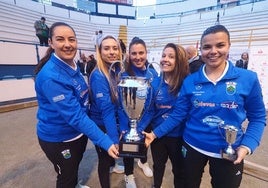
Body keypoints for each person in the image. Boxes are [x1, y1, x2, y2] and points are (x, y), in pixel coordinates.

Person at [143, 24, 266, 188]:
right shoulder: (190, 81)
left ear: (229, 46)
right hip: (192, 148)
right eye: (207, 47)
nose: (213, 51)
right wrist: (154, 134)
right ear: (201, 50)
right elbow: (178, 115)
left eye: (220, 45)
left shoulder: (248, 79)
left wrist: (247, 145)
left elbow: (258, 117)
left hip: (230, 152)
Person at [34, 22, 119, 188]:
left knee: (73, 169)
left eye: (71, 39)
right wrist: (106, 141)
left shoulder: (72, 65)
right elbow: (76, 116)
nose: (67, 44)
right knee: (66, 176)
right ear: (50, 42)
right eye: (60, 39)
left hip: (77, 135)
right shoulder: (51, 77)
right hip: (59, 139)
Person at [138, 43, 189, 188]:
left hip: (177, 136)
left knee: (179, 170)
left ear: (179, 61)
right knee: (158, 166)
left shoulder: (187, 84)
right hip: (157, 137)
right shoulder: (154, 83)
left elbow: (178, 115)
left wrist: (154, 134)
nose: (165, 59)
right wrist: (138, 129)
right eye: (164, 55)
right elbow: (150, 111)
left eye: (171, 57)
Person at [119, 37, 157, 188]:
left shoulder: (153, 75)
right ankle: (128, 174)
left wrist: (140, 128)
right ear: (129, 54)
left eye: (141, 53)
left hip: (146, 120)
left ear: (146, 53)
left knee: (144, 144)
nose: (138, 57)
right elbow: (120, 107)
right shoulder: (123, 74)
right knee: (128, 148)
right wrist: (123, 127)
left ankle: (143, 162)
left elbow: (153, 105)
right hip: (126, 120)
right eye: (134, 53)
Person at [88, 35, 124, 188]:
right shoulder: (98, 76)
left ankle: (114, 166)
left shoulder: (116, 69)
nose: (111, 52)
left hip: (112, 120)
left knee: (110, 157)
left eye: (115, 48)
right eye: (107, 48)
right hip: (101, 123)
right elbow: (107, 111)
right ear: (99, 51)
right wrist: (114, 140)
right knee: (104, 157)